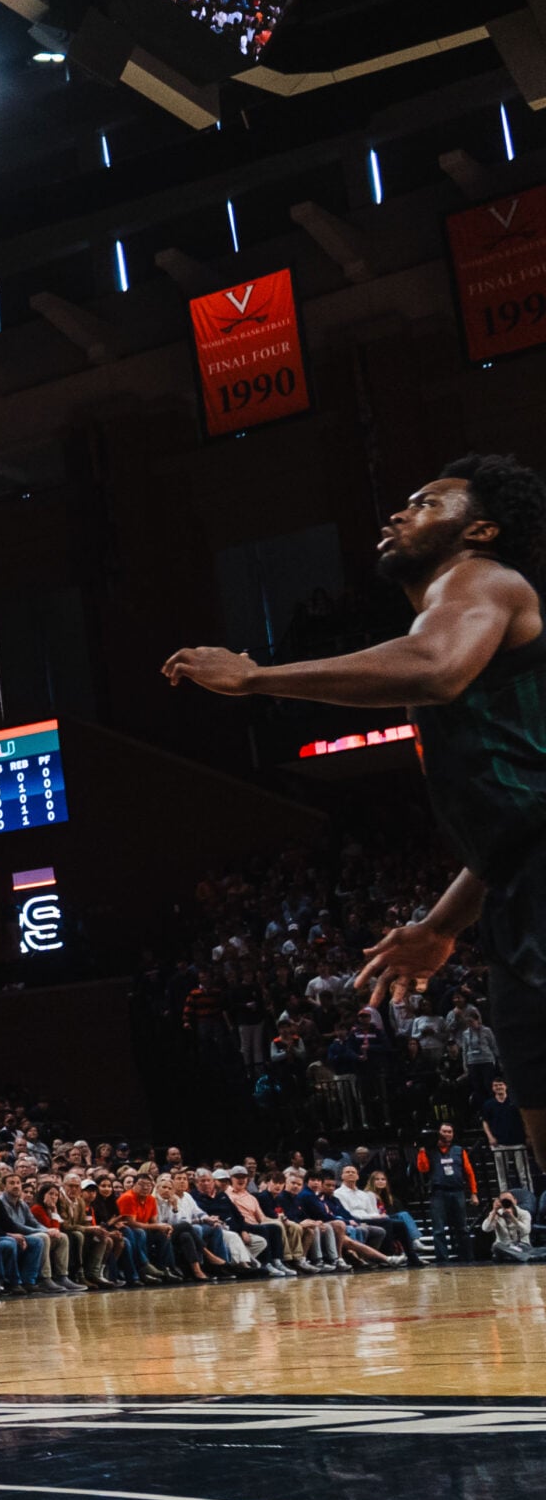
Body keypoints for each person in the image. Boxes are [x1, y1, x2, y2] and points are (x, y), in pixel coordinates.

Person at [165, 456, 546, 1164]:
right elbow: (520, 828)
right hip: (514, 897)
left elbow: (435, 666)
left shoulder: (481, 579)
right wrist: (439, 926)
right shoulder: (466, 629)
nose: (399, 513)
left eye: (428, 504)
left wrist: (255, 676)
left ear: (483, 529)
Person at [419, 1125, 481, 1263]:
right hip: (438, 1192)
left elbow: (469, 1173)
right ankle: (442, 1260)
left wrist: (474, 1193)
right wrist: (422, 1151)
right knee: (438, 1229)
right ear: (438, 1133)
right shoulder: (430, 1151)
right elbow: (423, 1168)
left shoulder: (459, 1150)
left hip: (457, 1191)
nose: (447, 1134)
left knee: (462, 1228)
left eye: (450, 1132)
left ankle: (468, 1258)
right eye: (444, 1131)